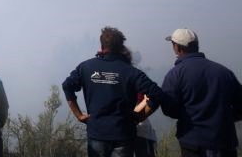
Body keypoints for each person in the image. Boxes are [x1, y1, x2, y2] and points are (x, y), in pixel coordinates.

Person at [61, 26, 163, 157]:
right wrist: (139, 117)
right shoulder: (131, 71)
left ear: (102, 45)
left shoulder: (86, 67)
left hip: (97, 134)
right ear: (121, 47)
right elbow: (157, 94)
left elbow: (67, 86)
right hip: (123, 135)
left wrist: (79, 115)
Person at [160, 28, 242, 156]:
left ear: (177, 47)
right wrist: (224, 117)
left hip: (193, 145)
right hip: (225, 144)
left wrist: (188, 116)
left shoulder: (175, 75)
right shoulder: (224, 72)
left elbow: (168, 108)